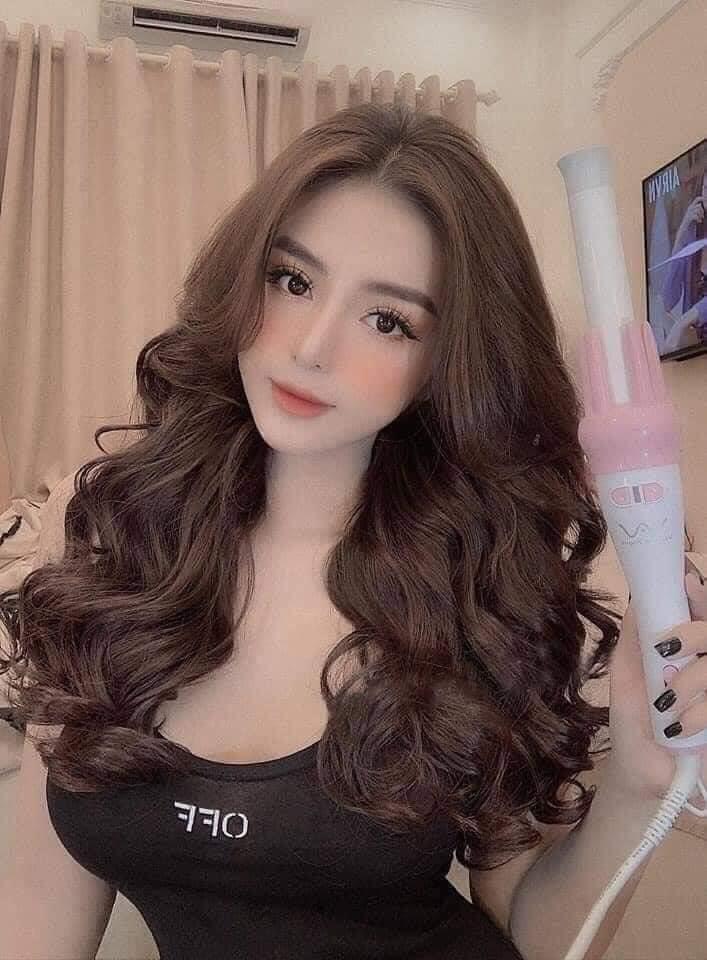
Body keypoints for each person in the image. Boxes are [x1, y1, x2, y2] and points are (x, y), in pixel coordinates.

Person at [1, 102, 706, 960]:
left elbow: (539, 933)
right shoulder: (117, 553)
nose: (310, 347)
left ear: (442, 365)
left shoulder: (477, 594)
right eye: (292, 281)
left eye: (387, 320)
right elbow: (34, 906)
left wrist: (636, 781)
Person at [661, 168, 707, 352]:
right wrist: (682, 230)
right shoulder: (692, 239)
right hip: (693, 346)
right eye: (706, 189)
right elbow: (668, 299)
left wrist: (684, 320)